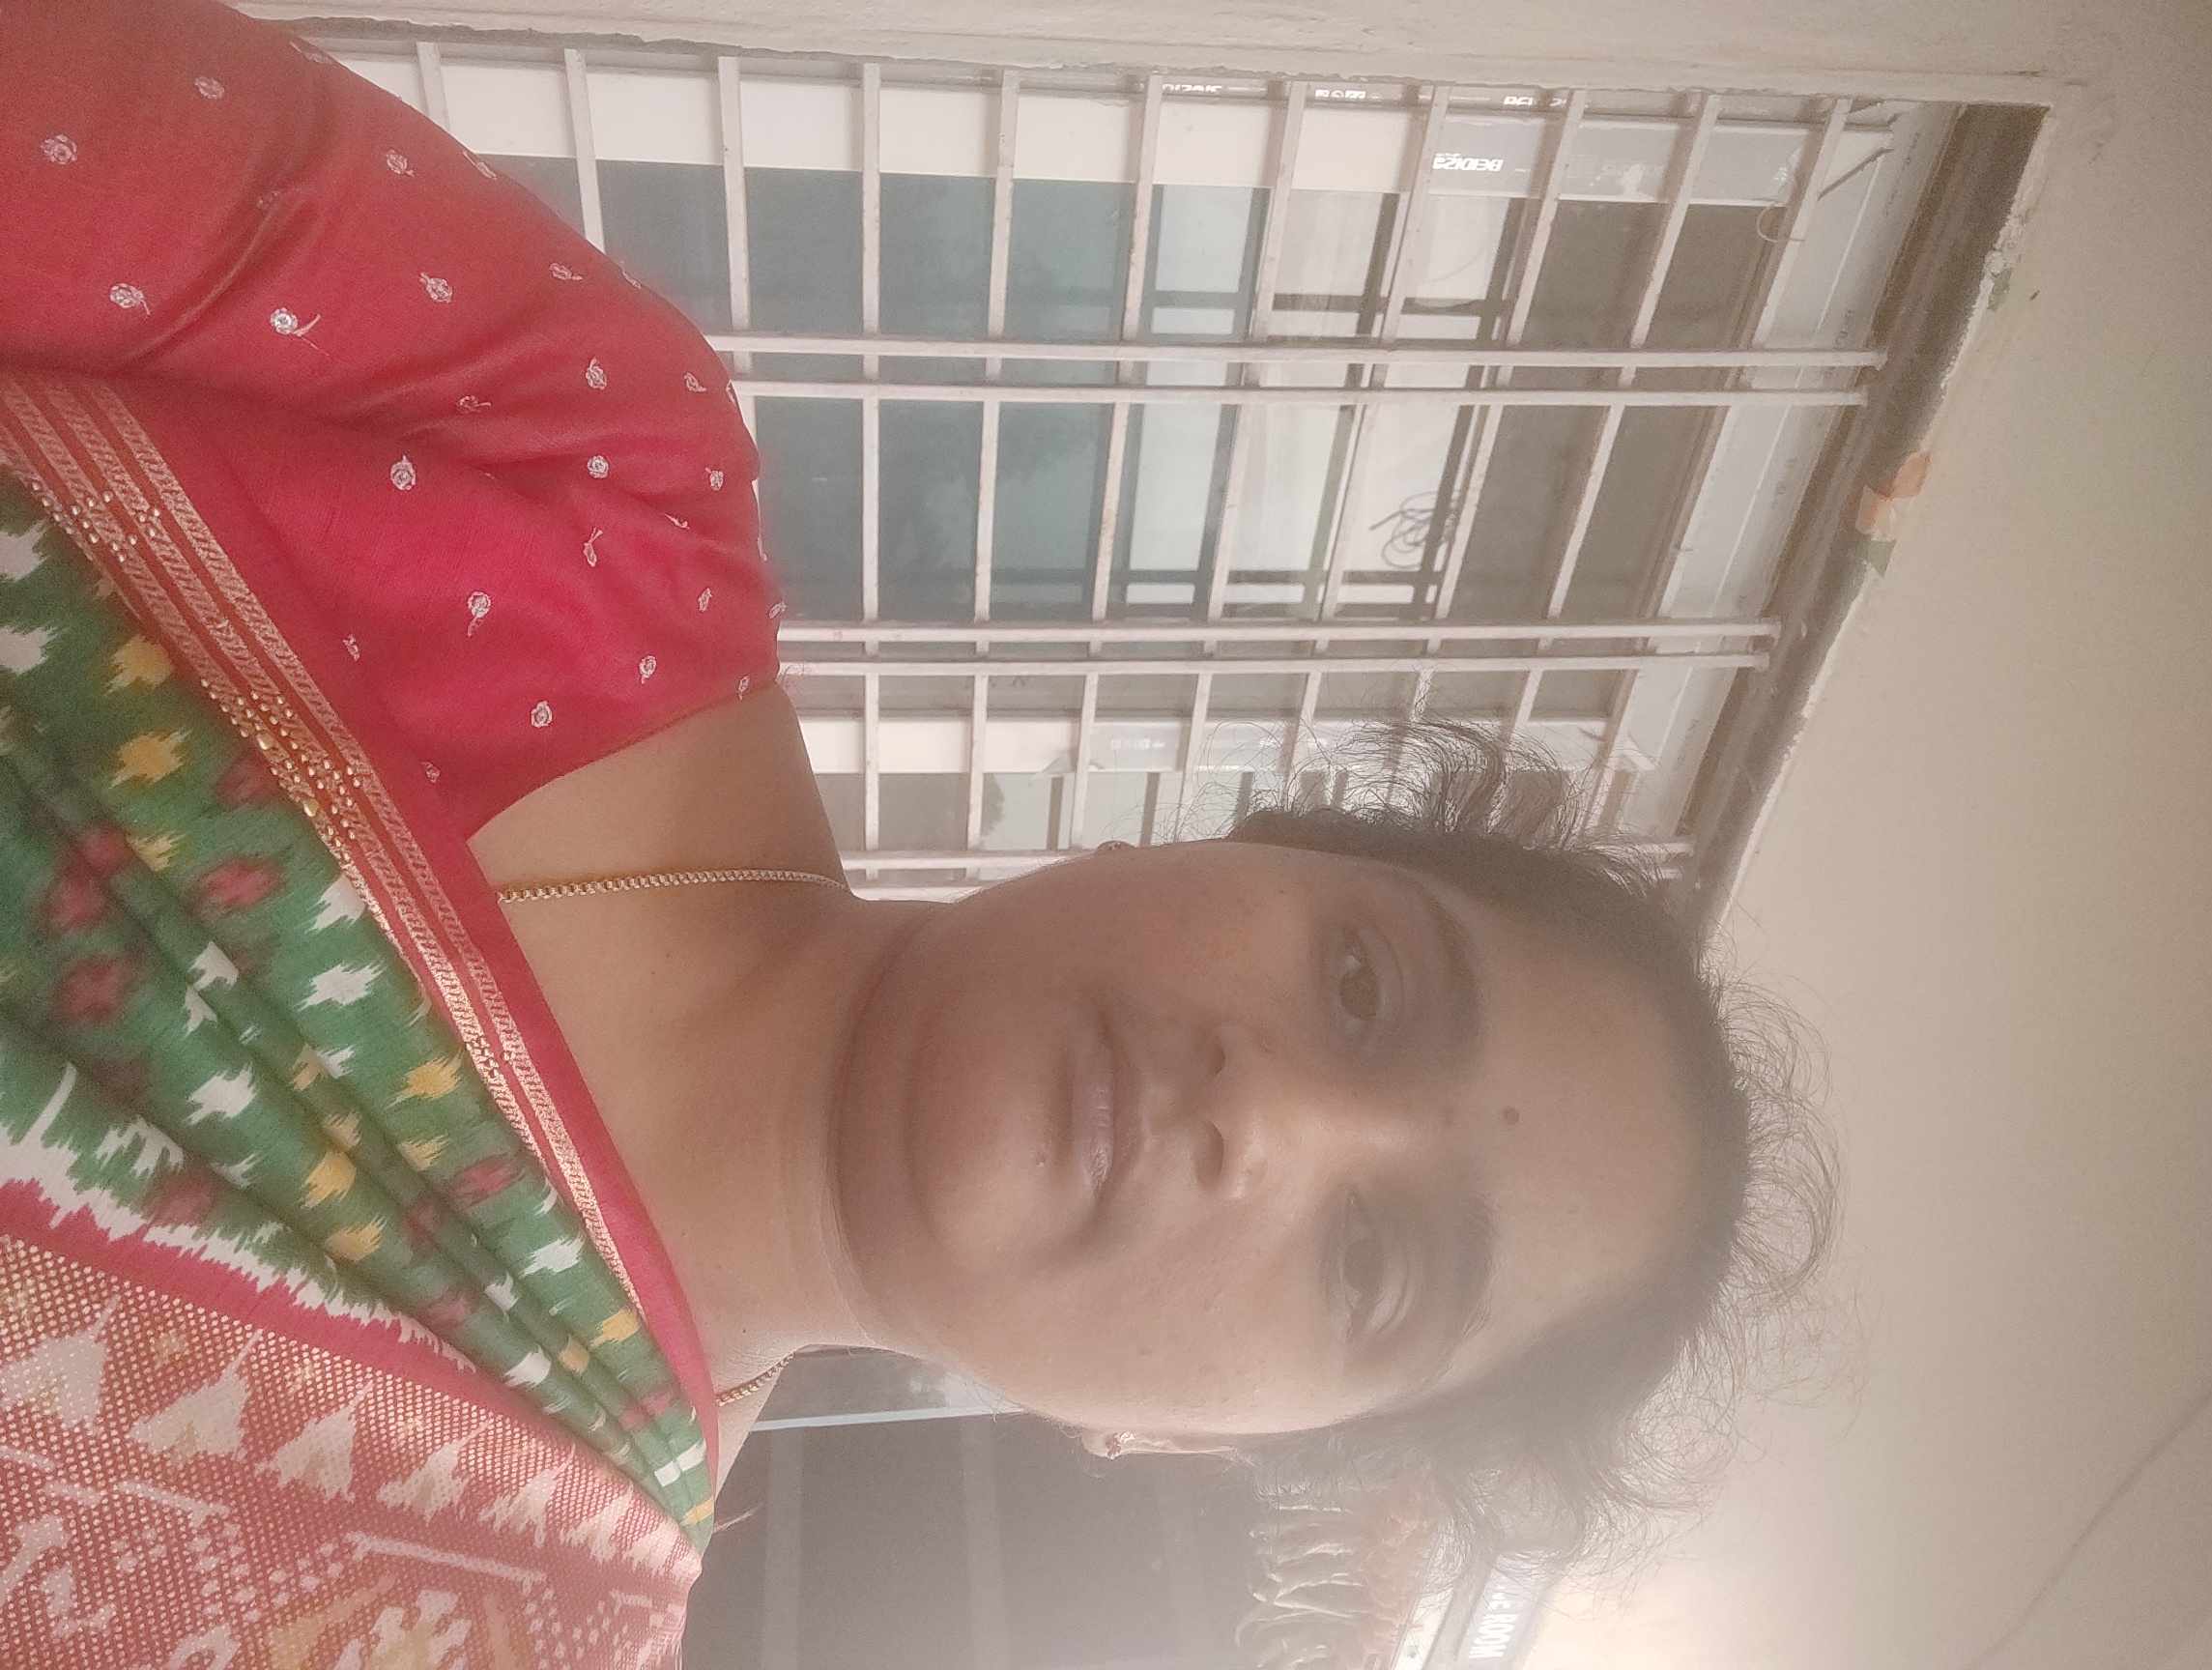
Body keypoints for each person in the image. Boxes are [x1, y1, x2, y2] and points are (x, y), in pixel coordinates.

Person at [0, 0, 1834, 1664]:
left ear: (1181, 1442)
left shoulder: (499, 1618)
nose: (1268, 1118)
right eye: (1364, 984)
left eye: (1374, 1266)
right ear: (1223, 846)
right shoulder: (587, 458)